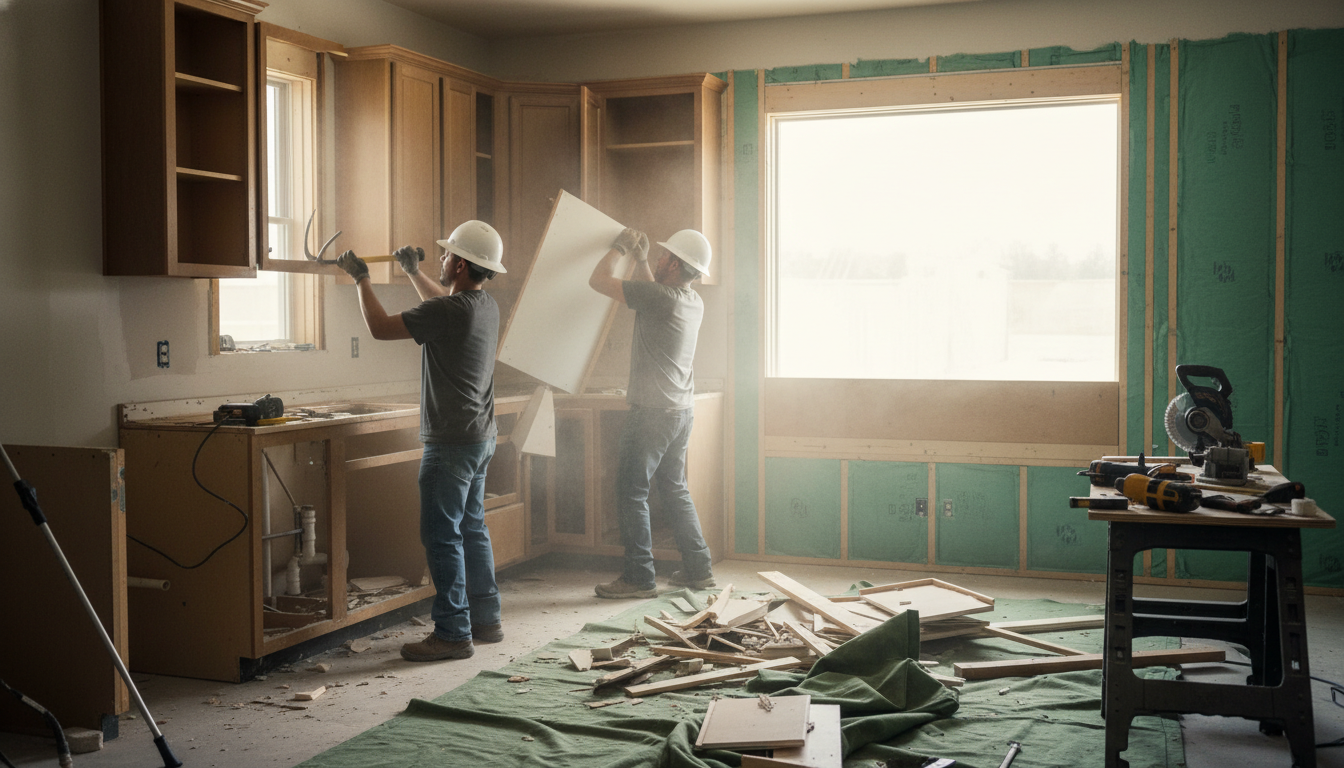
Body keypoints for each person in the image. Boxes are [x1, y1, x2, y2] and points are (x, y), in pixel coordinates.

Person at [335, 221, 507, 661]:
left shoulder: (450, 311)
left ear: (462, 264)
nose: (443, 259)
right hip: (480, 437)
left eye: (448, 255)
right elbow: (442, 302)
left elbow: (378, 326)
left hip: (450, 443)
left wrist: (361, 278)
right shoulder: (484, 305)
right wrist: (412, 272)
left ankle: (452, 633)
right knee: (472, 528)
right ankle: (486, 620)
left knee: (442, 536)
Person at [587, 226, 716, 598]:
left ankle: (639, 577)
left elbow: (598, 280)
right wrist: (642, 260)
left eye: (663, 256)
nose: (659, 259)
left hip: (652, 414)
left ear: (675, 265)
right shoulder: (691, 301)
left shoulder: (661, 297)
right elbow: (649, 294)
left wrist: (620, 249)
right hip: (679, 412)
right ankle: (698, 568)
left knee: (630, 490)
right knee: (674, 488)